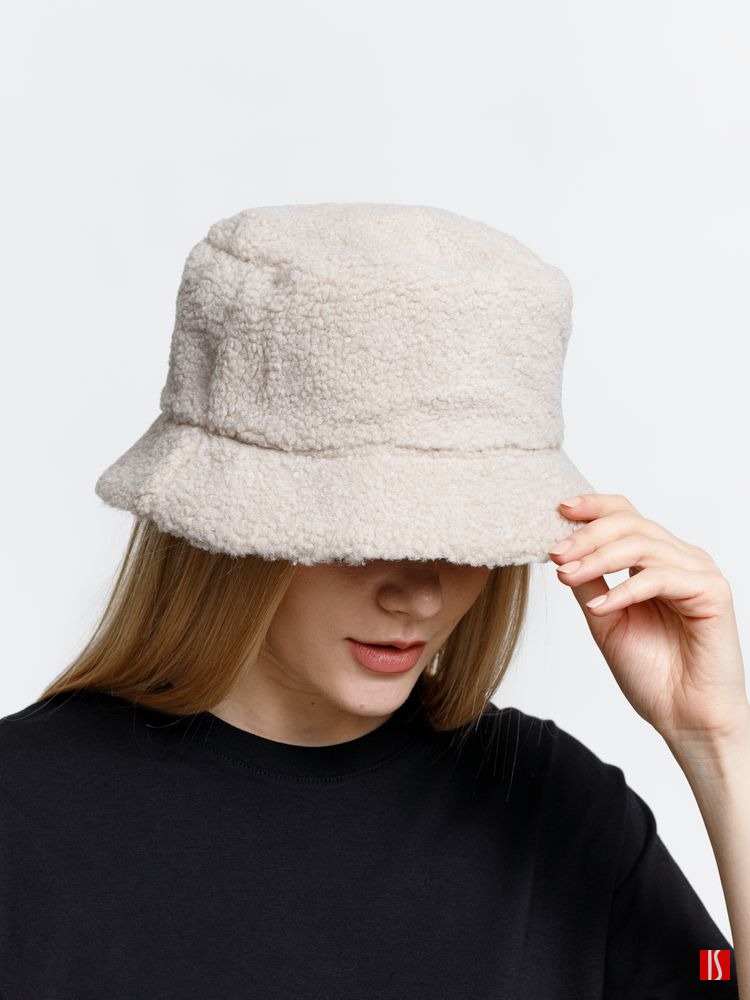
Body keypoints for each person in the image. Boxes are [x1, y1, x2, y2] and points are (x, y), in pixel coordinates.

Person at [1, 203, 746, 998]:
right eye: (365, 530)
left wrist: (717, 741)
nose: (420, 591)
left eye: (465, 532)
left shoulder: (557, 810)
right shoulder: (24, 817)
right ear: (229, 527)